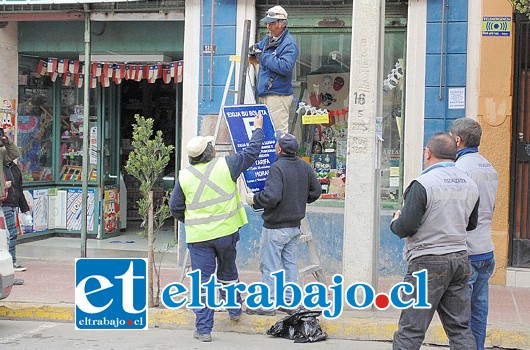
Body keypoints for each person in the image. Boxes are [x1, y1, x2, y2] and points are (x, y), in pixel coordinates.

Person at [169, 113, 264, 343]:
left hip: (199, 237)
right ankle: (234, 309)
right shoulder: (226, 165)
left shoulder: (184, 176)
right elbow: (252, 154)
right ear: (209, 152)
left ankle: (203, 330)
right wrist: (258, 129)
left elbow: (175, 208)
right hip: (226, 233)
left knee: (203, 282)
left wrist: (194, 221)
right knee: (228, 273)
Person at [390, 132, 480, 350]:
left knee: (411, 329)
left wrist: (396, 222)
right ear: (455, 155)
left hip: (427, 262)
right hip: (459, 259)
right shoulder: (470, 184)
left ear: (427, 153)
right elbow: (471, 224)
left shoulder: (422, 184)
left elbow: (407, 226)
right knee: (460, 328)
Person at [246, 131, 321, 316]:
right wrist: (300, 200)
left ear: (279, 149)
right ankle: (290, 301)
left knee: (270, 265)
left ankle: (267, 304)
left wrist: (254, 200)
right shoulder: (304, 166)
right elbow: (316, 191)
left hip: (276, 227)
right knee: (289, 265)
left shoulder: (277, 168)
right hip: (295, 226)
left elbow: (271, 197)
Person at [450, 118, 498, 350]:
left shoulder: (459, 170)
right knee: (479, 313)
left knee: (460, 319)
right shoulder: (489, 167)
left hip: (467, 251)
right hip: (486, 249)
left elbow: (458, 212)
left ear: (457, 140)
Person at [248, 5, 299, 133]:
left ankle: (282, 154)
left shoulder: (289, 44)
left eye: (272, 23)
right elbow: (257, 49)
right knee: (265, 131)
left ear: (283, 23)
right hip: (267, 93)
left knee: (278, 133)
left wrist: (262, 56)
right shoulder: (268, 39)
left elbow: (285, 67)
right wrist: (253, 51)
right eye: (267, 23)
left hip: (278, 94)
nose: (268, 27)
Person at [3, 159, 31, 286]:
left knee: (10, 234)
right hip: (4, 204)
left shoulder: (14, 168)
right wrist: (4, 186)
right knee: (10, 234)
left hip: (12, 204)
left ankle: (10, 261)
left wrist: (25, 209)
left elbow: (19, 189)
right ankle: (11, 261)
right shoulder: (2, 167)